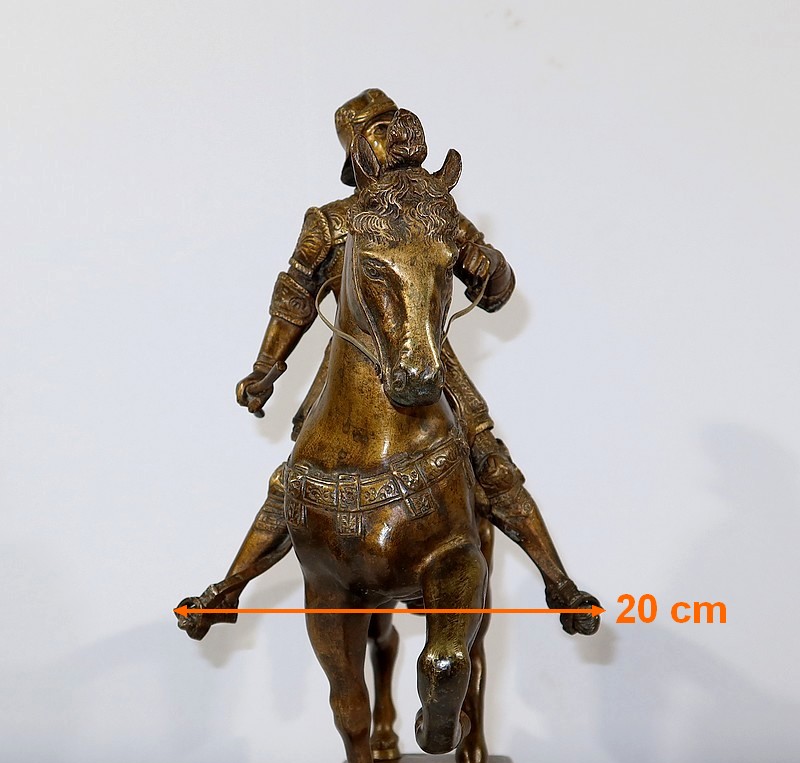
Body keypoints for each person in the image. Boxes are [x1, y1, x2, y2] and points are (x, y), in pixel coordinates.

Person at [177, 91, 599, 639]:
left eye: (394, 127)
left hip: (429, 354)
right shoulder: (331, 223)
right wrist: (267, 368)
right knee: (292, 480)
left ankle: (559, 583)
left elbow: (496, 294)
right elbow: (295, 297)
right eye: (377, 133)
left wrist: (489, 264)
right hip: (351, 366)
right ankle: (228, 589)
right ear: (358, 153)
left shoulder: (436, 210)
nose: (394, 141)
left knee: (489, 461)